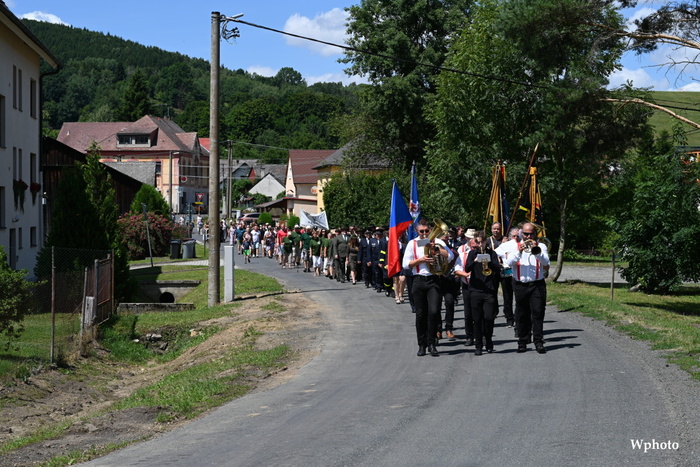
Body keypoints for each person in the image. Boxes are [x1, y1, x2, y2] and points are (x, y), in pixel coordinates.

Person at [402, 218, 454, 357]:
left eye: (427, 231)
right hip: (418, 279)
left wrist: (436, 249)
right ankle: (422, 344)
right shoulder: (412, 243)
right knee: (420, 314)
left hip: (433, 280)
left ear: (430, 230)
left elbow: (450, 256)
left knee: (434, 311)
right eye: (422, 231)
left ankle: (432, 343)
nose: (424, 233)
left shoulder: (438, 242)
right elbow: (405, 264)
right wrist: (420, 260)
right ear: (417, 231)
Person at [504, 222, 550, 354]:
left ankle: (538, 342)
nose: (528, 236)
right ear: (521, 233)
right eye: (526, 234)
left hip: (537, 284)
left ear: (535, 234)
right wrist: (519, 251)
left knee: (538, 312)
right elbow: (509, 263)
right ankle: (522, 342)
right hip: (520, 284)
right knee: (522, 313)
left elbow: (546, 263)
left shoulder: (541, 246)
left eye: (531, 234)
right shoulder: (514, 246)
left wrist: (537, 251)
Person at [465, 231, 501, 355]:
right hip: (475, 289)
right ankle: (478, 345)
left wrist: (489, 261)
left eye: (482, 242)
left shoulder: (492, 253)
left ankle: (489, 339)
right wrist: (475, 261)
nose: (480, 245)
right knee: (477, 319)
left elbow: (498, 269)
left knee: (489, 317)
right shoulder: (472, 253)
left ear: (486, 241)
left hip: (489, 290)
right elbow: (467, 269)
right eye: (478, 242)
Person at [487, 222, 515, 328]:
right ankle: (493, 314)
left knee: (508, 295)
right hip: (493, 271)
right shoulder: (488, 241)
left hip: (505, 270)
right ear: (491, 229)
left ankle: (509, 317)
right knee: (492, 294)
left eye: (498, 229)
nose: (496, 231)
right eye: (494, 229)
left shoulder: (506, 240)